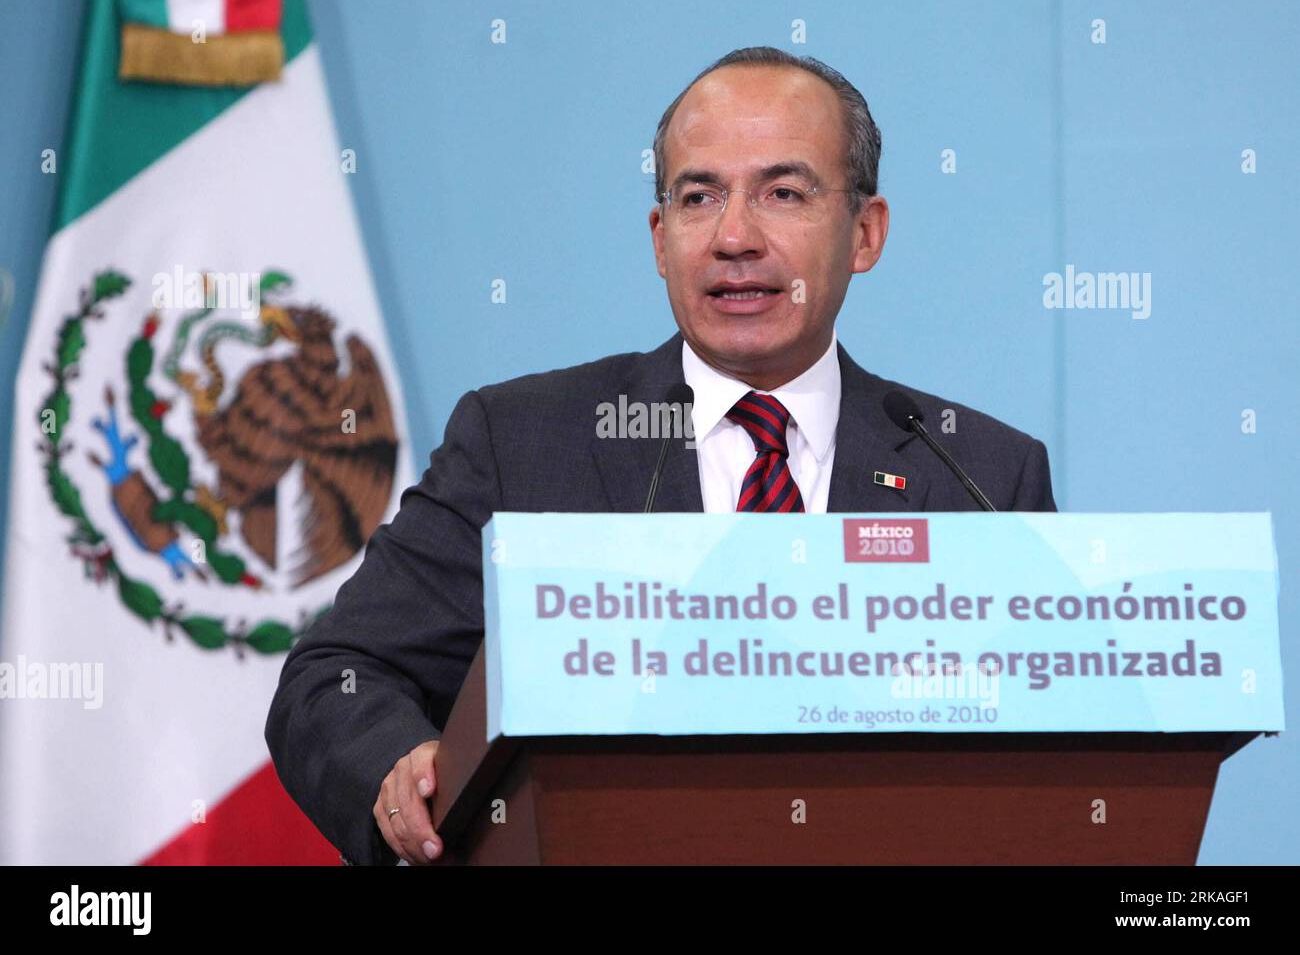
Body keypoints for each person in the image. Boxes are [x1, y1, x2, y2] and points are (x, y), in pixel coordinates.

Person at [265, 46, 1057, 866]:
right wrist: (399, 766)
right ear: (659, 236)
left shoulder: (981, 476)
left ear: (865, 232)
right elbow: (336, 674)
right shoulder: (525, 441)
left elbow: (1068, 750)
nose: (734, 236)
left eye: (783, 192)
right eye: (698, 196)